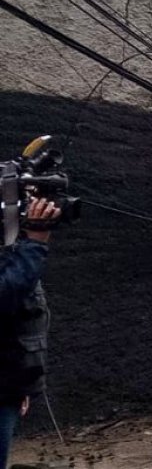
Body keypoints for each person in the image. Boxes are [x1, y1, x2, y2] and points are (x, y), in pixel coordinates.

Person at [0, 197, 60, 469]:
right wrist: (35, 240)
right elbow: (6, 294)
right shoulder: (24, 252)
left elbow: (18, 316)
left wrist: (20, 379)